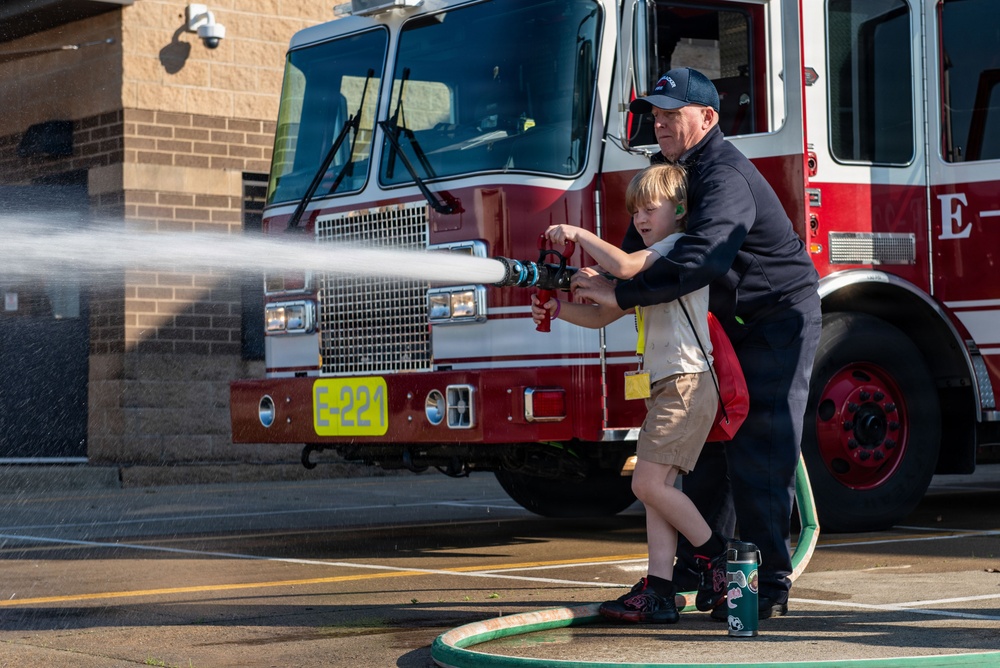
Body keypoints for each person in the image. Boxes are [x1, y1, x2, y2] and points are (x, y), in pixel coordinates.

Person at [572, 67, 822, 621]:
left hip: (774, 319)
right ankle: (698, 571)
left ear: (707, 118)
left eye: (671, 114)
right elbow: (635, 259)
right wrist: (573, 286)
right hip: (724, 326)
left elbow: (700, 260)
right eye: (654, 115)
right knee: (705, 451)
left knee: (759, 443)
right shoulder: (675, 172)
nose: (659, 124)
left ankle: (767, 581)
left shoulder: (724, 175)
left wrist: (622, 291)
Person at [532, 163, 728, 624]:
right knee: (657, 490)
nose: (640, 218)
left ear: (679, 211)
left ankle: (720, 560)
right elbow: (604, 314)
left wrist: (578, 233)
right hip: (668, 385)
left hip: (686, 381)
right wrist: (560, 308)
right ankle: (659, 589)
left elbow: (620, 266)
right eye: (634, 210)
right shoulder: (649, 265)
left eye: (649, 208)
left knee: (645, 483)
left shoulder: (675, 249)